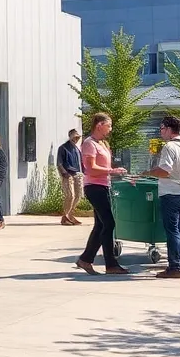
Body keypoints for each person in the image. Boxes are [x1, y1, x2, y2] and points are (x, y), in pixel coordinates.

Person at [75, 113, 128, 275]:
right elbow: (90, 169)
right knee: (109, 223)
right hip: (94, 187)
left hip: (103, 185)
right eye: (108, 125)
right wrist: (112, 171)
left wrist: (119, 175)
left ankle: (86, 259)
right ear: (99, 125)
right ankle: (110, 264)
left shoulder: (102, 143)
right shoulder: (89, 144)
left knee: (101, 225)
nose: (110, 129)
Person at [142, 116, 180, 279]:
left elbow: (165, 171)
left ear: (170, 130)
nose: (160, 132)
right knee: (178, 230)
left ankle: (175, 267)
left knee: (172, 232)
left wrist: (149, 172)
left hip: (171, 192)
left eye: (162, 128)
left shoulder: (170, 147)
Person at [57, 128, 85, 226]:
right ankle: (65, 217)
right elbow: (59, 163)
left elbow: (81, 162)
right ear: (70, 137)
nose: (76, 139)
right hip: (68, 175)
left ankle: (69, 215)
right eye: (74, 137)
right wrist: (64, 173)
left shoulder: (77, 149)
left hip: (78, 174)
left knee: (78, 195)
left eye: (77, 137)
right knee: (70, 195)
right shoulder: (63, 148)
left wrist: (84, 172)